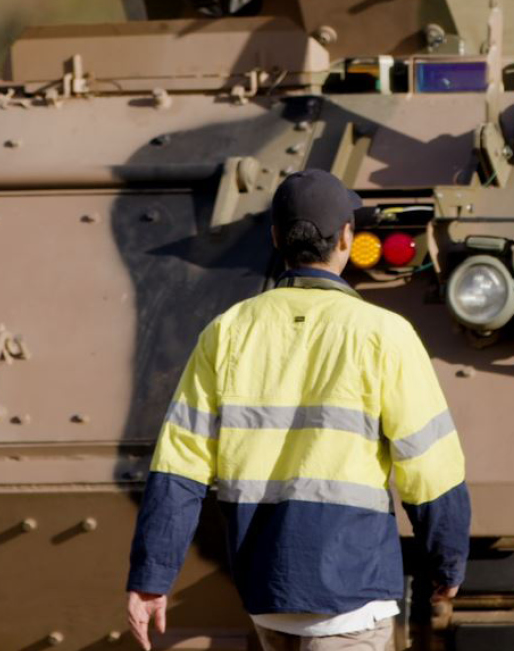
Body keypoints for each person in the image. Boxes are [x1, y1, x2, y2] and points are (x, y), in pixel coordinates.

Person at [123, 170, 472, 651]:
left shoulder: (227, 332)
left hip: (268, 594)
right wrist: (447, 562)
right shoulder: (384, 334)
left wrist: (151, 577)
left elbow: (178, 467)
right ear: (347, 237)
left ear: (275, 238)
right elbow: (431, 467)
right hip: (352, 596)